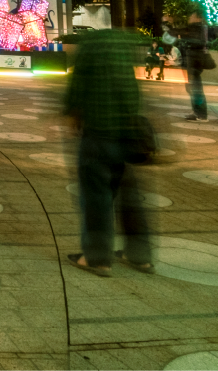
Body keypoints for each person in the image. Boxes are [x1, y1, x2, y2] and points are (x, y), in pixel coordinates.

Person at [64, 28, 154, 276]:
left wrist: (71, 112)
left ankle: (96, 258)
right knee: (131, 200)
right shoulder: (124, 58)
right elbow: (135, 96)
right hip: (128, 136)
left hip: (98, 134)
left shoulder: (91, 51)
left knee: (96, 197)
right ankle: (140, 256)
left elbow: (77, 88)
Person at [179, 10, 210, 120]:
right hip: (193, 62)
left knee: (195, 88)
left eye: (191, 16)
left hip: (195, 63)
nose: (189, 18)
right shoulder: (198, 28)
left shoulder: (197, 29)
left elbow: (196, 43)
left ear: (198, 18)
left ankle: (201, 114)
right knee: (193, 88)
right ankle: (198, 112)